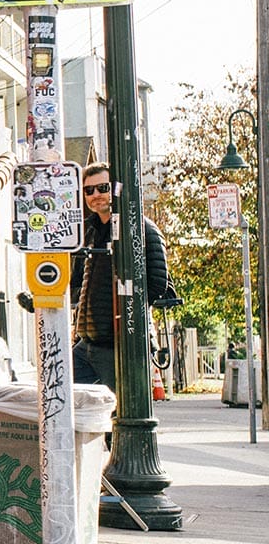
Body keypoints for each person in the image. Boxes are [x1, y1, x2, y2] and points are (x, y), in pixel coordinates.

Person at [70, 161, 178, 391]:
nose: (95, 195)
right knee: (74, 403)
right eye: (89, 190)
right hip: (86, 342)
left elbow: (157, 282)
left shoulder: (142, 229)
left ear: (116, 188)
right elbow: (76, 284)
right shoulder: (88, 233)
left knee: (120, 410)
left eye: (102, 188)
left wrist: (126, 319)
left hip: (119, 343)